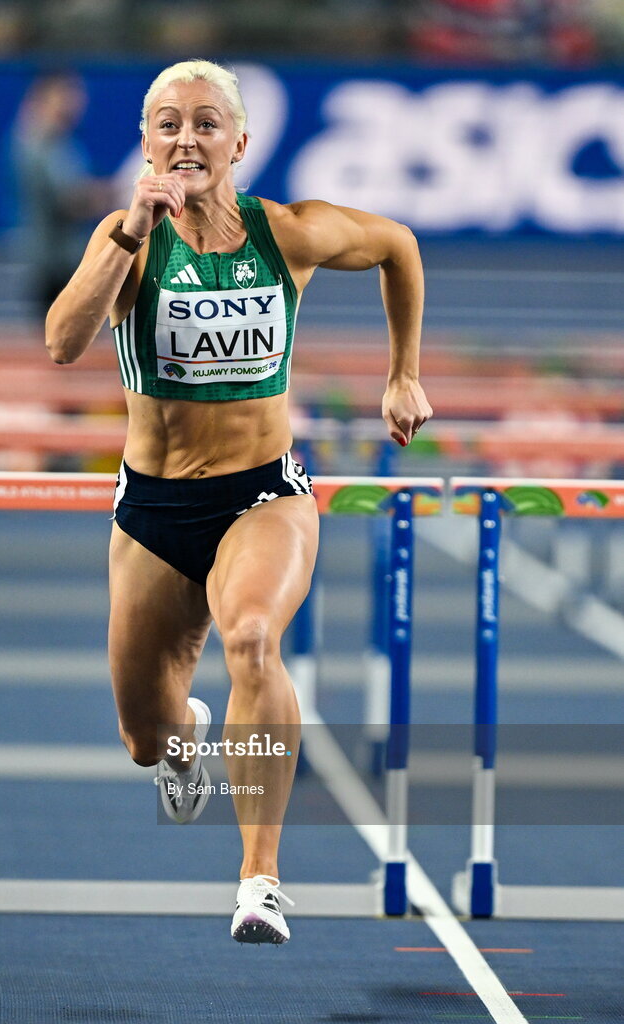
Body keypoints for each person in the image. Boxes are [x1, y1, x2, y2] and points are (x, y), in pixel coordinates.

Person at [45, 59, 432, 945]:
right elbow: (63, 343)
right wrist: (127, 235)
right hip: (152, 508)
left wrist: (402, 374)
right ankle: (182, 732)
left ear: (239, 144)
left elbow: (399, 245)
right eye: (168, 123)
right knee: (143, 737)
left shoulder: (289, 234)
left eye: (206, 123)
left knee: (252, 637)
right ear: (146, 142)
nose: (187, 137)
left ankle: (259, 877)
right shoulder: (125, 240)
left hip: (263, 492)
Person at [11, 72, 114, 318]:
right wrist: (113, 194)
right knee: (65, 344)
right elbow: (70, 200)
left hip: (58, 258)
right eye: (70, 94)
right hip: (56, 262)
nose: (78, 102)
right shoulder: (42, 142)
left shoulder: (51, 140)